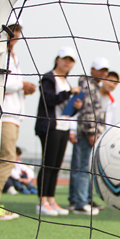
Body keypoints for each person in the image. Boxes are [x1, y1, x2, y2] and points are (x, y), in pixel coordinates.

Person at [0, 22, 36, 220]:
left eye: (18, 31)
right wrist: (22, 85)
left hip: (12, 116)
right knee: (6, 159)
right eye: (12, 30)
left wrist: (22, 90)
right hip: (2, 115)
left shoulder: (13, 55)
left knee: (2, 159)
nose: (15, 34)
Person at [35, 46, 82, 216]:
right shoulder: (49, 78)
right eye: (65, 58)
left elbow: (65, 109)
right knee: (47, 164)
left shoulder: (66, 81)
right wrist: (69, 93)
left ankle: (51, 199)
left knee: (56, 165)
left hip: (63, 127)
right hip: (50, 127)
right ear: (57, 59)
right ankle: (42, 201)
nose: (67, 62)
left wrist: (76, 107)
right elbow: (48, 99)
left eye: (71, 60)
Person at [68, 57, 108, 215]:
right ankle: (80, 203)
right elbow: (87, 111)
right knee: (84, 168)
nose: (104, 73)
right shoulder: (88, 85)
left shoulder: (93, 85)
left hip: (90, 132)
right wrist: (92, 131)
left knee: (85, 168)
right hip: (87, 133)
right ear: (92, 70)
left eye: (106, 70)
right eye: (101, 69)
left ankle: (80, 200)